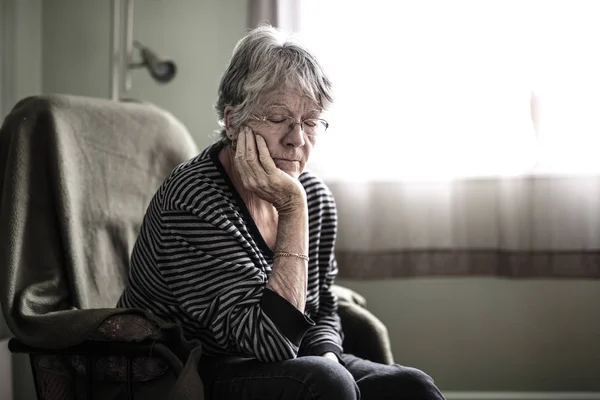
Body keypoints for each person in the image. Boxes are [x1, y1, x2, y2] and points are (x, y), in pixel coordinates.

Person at [117, 24, 445, 400]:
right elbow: (270, 342)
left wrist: (327, 355)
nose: (297, 139)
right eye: (278, 118)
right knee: (328, 383)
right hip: (191, 368)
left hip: (289, 360)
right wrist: (291, 209)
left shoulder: (313, 195)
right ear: (232, 120)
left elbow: (321, 305)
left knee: (412, 387)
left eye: (310, 122)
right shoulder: (194, 199)